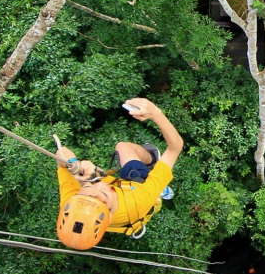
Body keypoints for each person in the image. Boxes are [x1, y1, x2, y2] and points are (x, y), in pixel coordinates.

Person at [54, 98, 184, 250]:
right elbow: (175, 147)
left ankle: (151, 162)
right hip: (135, 188)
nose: (98, 186)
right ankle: (153, 163)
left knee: (122, 146)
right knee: (132, 158)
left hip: (121, 189)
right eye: (103, 195)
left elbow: (61, 158)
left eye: (87, 191)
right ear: (108, 216)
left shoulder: (72, 203)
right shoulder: (139, 200)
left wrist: (71, 162)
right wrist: (155, 113)